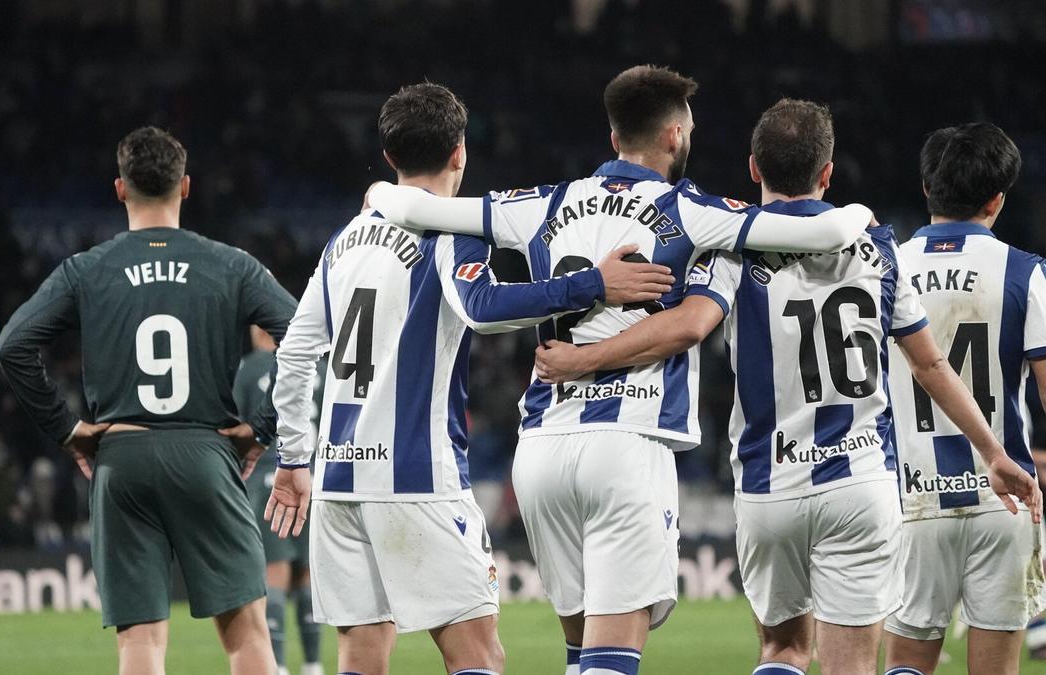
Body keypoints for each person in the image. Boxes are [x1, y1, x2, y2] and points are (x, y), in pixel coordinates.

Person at [367, 68, 876, 675]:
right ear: (674, 136)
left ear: (613, 139)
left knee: (582, 656)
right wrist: (862, 210)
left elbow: (391, 200)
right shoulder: (694, 211)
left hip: (542, 452)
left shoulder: (541, 203)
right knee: (613, 658)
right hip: (627, 444)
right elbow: (823, 229)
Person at [531, 99, 1042, 675]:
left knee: (783, 650)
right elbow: (930, 366)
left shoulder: (731, 248)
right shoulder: (876, 247)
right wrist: (994, 452)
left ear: (753, 168)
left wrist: (583, 358)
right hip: (860, 482)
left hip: (769, 486)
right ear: (827, 173)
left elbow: (686, 326)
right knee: (849, 665)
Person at [265, 82, 672, 675]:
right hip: (415, 478)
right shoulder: (446, 231)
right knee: (477, 654)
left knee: (360, 654)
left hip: (337, 480)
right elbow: (481, 306)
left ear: (388, 158)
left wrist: (294, 460)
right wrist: (593, 284)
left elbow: (296, 353)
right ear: (461, 152)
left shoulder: (343, 240)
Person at [0, 127, 295, 675]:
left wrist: (66, 428)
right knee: (248, 635)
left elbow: (12, 347)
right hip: (206, 452)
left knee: (141, 642)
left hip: (121, 457)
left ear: (119, 189)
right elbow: (305, 339)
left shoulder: (86, 269)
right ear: (185, 188)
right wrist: (262, 426)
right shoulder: (232, 264)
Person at [882, 123, 1046, 675]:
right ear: (997, 200)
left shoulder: (884, 269)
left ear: (927, 189)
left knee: (906, 664)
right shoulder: (1027, 274)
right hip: (1006, 499)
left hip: (911, 498)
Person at [233, 326, 325, 675]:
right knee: (307, 573)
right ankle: (314, 665)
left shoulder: (251, 366)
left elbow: (236, 424)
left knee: (275, 572)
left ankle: (280, 666)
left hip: (269, 478)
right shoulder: (317, 366)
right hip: (314, 478)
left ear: (257, 329)